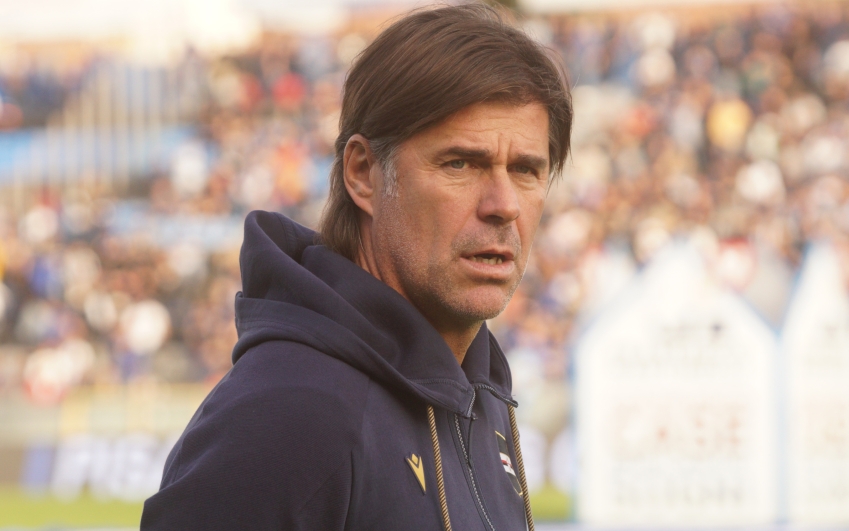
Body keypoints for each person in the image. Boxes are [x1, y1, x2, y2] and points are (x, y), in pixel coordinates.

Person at [140, 4, 572, 530]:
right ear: (364, 174)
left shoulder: (480, 398)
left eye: (526, 170)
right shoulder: (288, 414)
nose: (503, 204)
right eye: (460, 163)